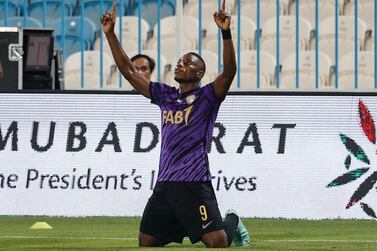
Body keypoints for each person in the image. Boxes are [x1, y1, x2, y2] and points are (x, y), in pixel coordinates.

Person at [101, 0, 250, 248]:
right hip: (166, 182)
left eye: (188, 62)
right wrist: (110, 35)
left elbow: (229, 72)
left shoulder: (208, 97)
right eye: (180, 61)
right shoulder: (165, 95)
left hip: (195, 182)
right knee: (146, 242)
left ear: (199, 73)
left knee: (218, 243)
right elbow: (129, 71)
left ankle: (232, 221)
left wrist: (225, 31)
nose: (181, 64)